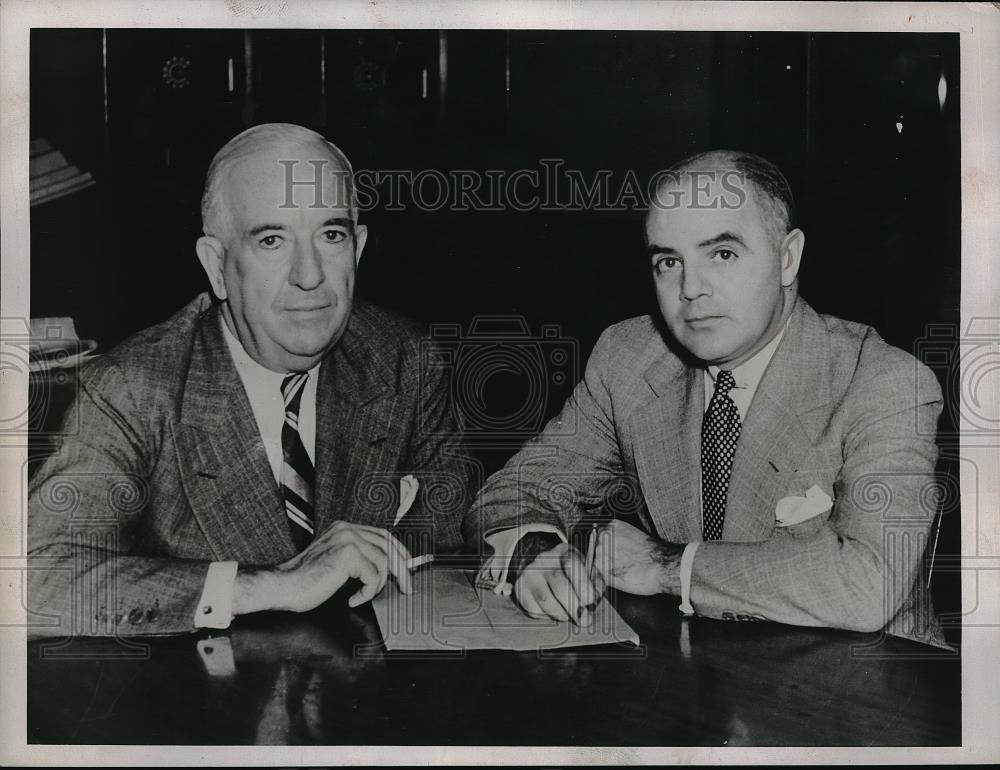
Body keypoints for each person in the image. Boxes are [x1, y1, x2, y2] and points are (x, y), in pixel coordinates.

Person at [466, 150, 947, 647]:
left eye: (722, 253)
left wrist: (666, 566)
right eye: (669, 261)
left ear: (787, 258)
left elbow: (868, 585)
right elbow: (516, 489)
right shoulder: (629, 359)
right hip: (698, 680)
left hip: (865, 696)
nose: (690, 288)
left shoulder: (886, 382)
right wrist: (536, 548)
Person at [28, 123, 475, 637]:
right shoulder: (131, 389)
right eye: (271, 240)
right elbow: (35, 582)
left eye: (331, 235)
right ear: (217, 266)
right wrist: (270, 585)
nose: (309, 275)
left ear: (359, 247)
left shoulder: (403, 358)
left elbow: (453, 511)